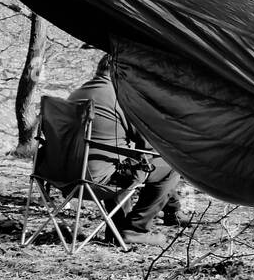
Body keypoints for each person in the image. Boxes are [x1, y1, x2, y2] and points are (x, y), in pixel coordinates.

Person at [68, 55, 179, 246]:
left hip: (66, 176)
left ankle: (117, 231)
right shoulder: (120, 98)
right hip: (98, 178)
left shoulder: (77, 94)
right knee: (170, 167)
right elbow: (148, 142)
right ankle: (136, 229)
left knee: (117, 156)